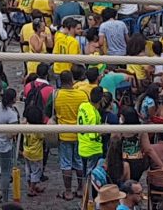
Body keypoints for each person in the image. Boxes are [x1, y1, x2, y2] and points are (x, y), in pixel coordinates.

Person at [48, 70, 88, 201]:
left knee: (66, 164)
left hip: (64, 135)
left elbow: (49, 111)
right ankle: (81, 188)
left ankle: (68, 191)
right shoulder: (82, 95)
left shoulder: (56, 95)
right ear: (72, 81)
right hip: (79, 134)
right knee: (79, 162)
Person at [78, 86, 105, 177]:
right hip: (93, 149)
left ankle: (84, 189)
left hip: (82, 146)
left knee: (84, 173)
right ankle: (88, 191)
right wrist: (105, 129)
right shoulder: (94, 115)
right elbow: (93, 135)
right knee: (91, 176)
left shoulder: (83, 105)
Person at [22, 104, 45, 197]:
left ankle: (31, 186)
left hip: (26, 152)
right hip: (36, 155)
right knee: (36, 171)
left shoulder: (25, 126)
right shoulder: (37, 130)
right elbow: (42, 137)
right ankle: (32, 189)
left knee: (28, 170)